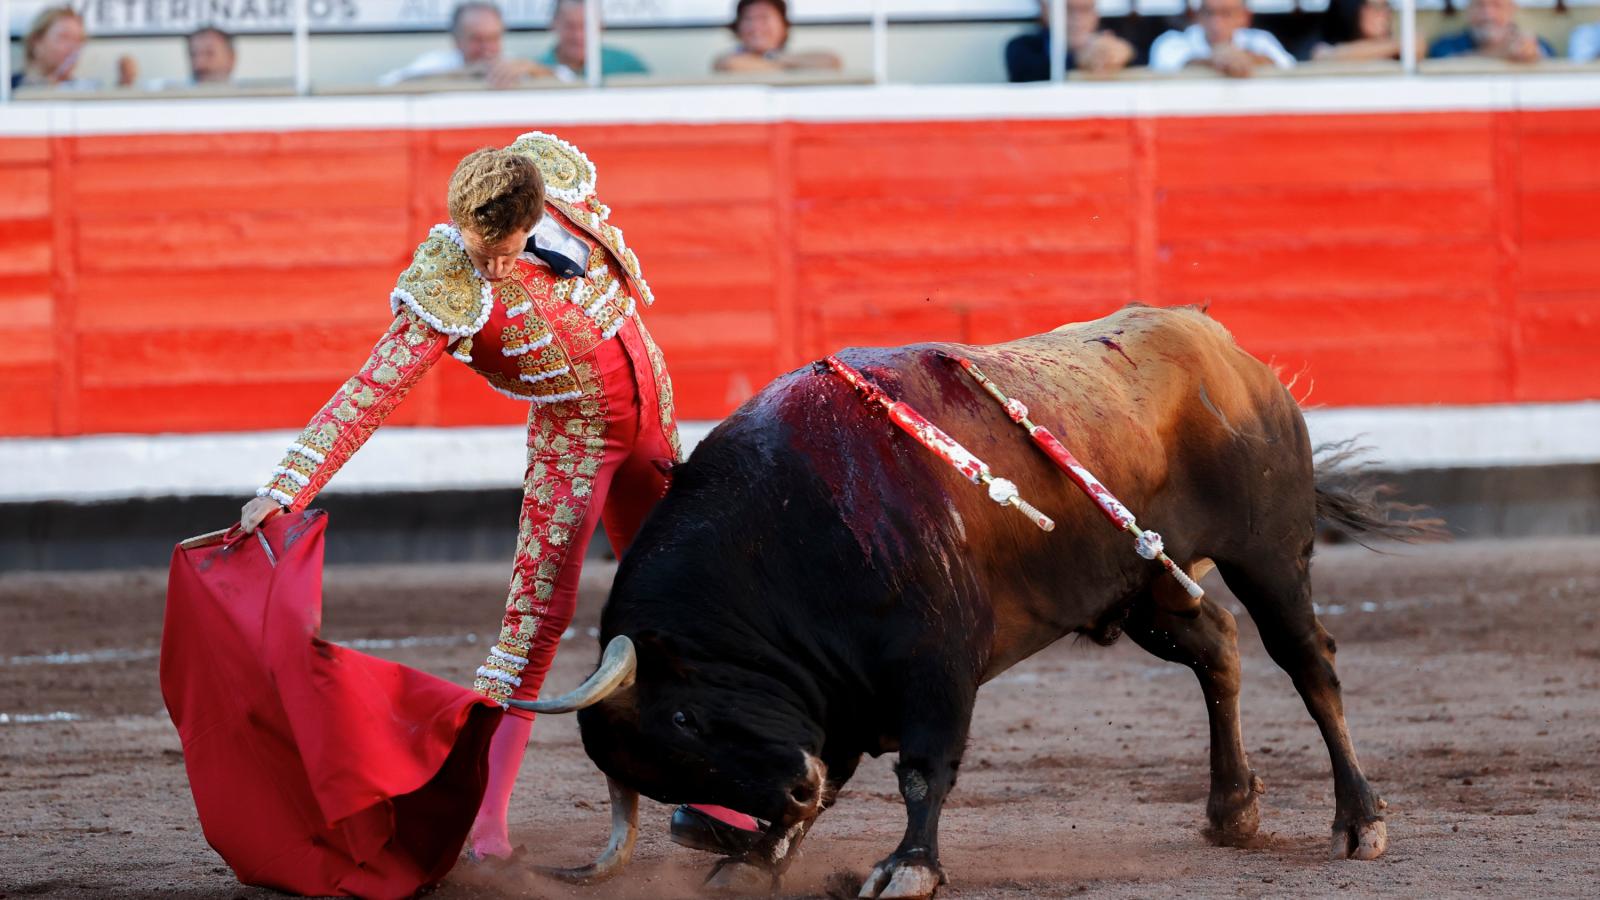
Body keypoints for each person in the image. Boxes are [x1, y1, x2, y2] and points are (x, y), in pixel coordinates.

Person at [239, 132, 760, 866]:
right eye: (480, 249)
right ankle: (481, 823)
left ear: (538, 211)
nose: (491, 265)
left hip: (654, 425)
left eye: (505, 249)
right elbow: (371, 389)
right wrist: (286, 486)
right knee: (530, 631)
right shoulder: (448, 281)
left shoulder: (561, 189)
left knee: (691, 606)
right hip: (573, 446)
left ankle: (714, 797)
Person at [378, 1, 550, 88]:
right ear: (457, 40)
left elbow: (568, 79)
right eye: (477, 39)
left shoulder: (512, 63)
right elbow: (389, 83)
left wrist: (533, 69)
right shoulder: (439, 62)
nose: (487, 48)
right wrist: (463, 74)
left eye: (493, 38)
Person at [1149, 0, 1295, 77]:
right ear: (1197, 15)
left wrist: (1248, 58)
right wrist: (1215, 59)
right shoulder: (1171, 42)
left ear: (1245, 17)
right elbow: (1167, 64)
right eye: (1209, 13)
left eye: (1227, 14)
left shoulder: (1261, 40)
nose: (1216, 23)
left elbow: (1289, 67)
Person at [11, 5, 136, 90]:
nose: (73, 47)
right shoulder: (7, 89)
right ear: (36, 41)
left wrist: (123, 87)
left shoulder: (84, 90)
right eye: (64, 37)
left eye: (79, 40)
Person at [1006, 0, 1136, 80]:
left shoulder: (1111, 43)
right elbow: (1030, 74)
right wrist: (1076, 58)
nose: (1077, 19)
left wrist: (1125, 54)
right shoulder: (1022, 47)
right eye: (1068, 9)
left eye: (1085, 9)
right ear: (1045, 9)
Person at [714, 0, 843, 74]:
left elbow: (831, 61)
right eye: (748, 19)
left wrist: (774, 59)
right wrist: (795, 68)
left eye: (764, 18)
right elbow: (730, 65)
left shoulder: (790, 58)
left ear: (784, 26)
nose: (755, 26)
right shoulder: (726, 61)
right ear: (738, 28)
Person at [538, 0, 649, 81]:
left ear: (600, 27)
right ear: (553, 25)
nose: (578, 36)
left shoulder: (628, 66)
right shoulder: (536, 70)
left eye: (586, 26)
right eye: (570, 26)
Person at [1427, 0, 1553, 62]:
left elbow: (1545, 56)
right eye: (1480, 5)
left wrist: (1530, 52)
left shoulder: (1537, 43)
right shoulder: (1447, 45)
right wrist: (1503, 54)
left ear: (1511, 10)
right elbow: (1444, 65)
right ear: (1468, 10)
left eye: (1497, 5)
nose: (1488, 15)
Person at [1308, 0, 1418, 61]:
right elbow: (1324, 56)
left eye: (1386, 6)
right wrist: (1397, 45)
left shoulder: (1397, 49)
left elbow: (1417, 46)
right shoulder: (1326, 44)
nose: (1385, 15)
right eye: (1376, 7)